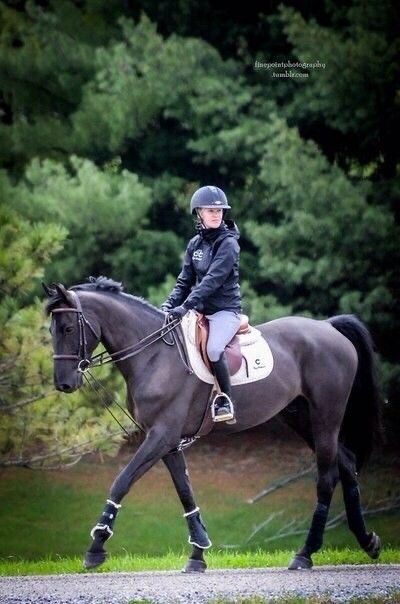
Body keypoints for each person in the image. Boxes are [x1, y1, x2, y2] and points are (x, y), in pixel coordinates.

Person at [161, 185, 242, 422]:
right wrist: (168, 306)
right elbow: (184, 281)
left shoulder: (228, 244)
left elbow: (211, 282)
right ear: (199, 214)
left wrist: (184, 307)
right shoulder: (195, 244)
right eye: (210, 211)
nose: (216, 215)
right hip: (198, 312)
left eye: (220, 211)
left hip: (224, 312)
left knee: (214, 349)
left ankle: (226, 400)